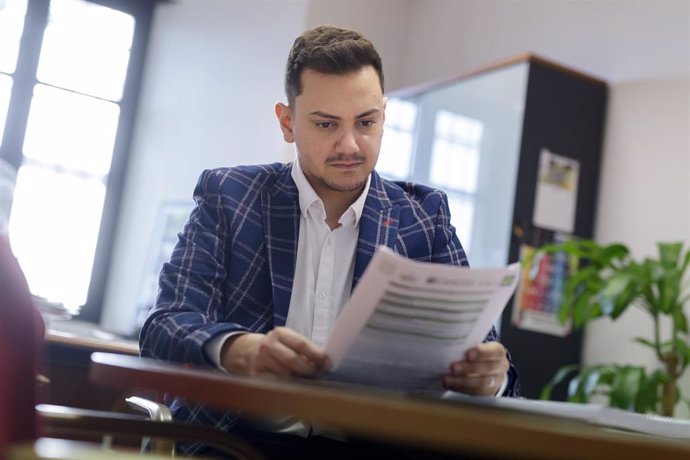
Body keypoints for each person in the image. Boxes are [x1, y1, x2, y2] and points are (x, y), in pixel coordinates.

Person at [140, 25, 520, 458]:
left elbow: (489, 351)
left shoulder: (425, 216)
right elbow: (165, 324)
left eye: (366, 122)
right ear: (288, 123)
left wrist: (493, 375)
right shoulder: (230, 196)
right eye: (326, 124)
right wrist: (240, 350)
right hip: (233, 442)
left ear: (383, 116)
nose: (349, 144)